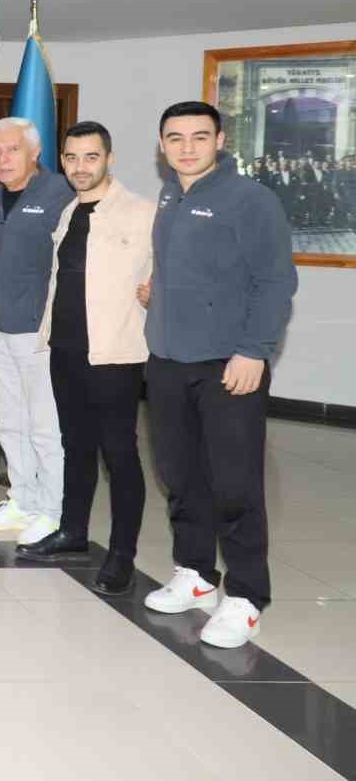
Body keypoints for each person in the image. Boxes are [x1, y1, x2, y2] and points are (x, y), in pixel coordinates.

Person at [141, 100, 296, 648]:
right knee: (179, 475)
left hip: (229, 364)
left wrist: (254, 350)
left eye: (199, 137)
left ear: (220, 140)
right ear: (162, 145)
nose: (187, 147)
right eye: (175, 138)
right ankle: (196, 574)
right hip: (167, 360)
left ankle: (247, 595)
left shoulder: (251, 199)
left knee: (235, 484)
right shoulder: (170, 194)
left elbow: (275, 282)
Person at [20, 122, 153, 592]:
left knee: (119, 454)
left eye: (91, 157)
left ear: (109, 159)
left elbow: (169, 270)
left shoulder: (143, 213)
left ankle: (121, 555)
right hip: (66, 348)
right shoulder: (68, 211)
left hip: (114, 354)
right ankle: (73, 532)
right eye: (72, 158)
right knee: (75, 446)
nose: (80, 167)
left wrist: (159, 290)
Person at [0, 117, 75, 546]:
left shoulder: (60, 193)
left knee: (44, 426)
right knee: (8, 421)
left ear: (35, 152)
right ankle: (22, 499)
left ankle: (52, 511)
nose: (3, 159)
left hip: (38, 332)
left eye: (13, 150)